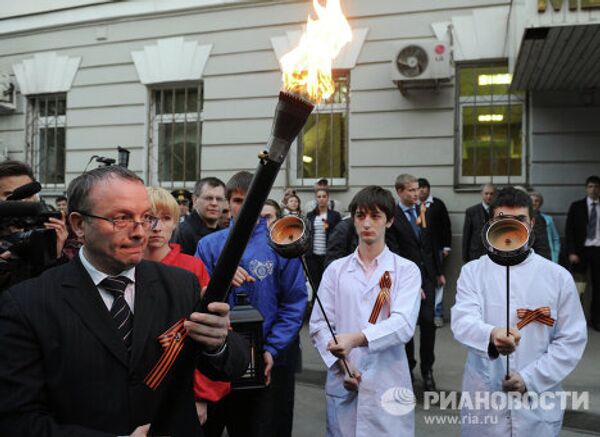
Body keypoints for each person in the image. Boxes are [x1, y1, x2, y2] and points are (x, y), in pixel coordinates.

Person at [0, 165, 249, 437]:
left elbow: (233, 366)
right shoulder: (27, 303)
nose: (140, 232)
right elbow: (19, 420)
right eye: (121, 218)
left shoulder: (182, 284)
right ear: (79, 224)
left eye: (146, 218)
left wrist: (219, 344)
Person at [451, 186, 587, 436]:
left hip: (537, 403)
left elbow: (571, 338)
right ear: (490, 223)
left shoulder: (557, 277)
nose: (512, 228)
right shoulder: (472, 272)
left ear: (532, 223)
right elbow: (462, 320)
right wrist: (491, 335)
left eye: (520, 220)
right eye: (503, 220)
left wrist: (530, 379)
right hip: (486, 400)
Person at [196, 171, 307, 437]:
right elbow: (195, 300)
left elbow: (293, 303)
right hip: (216, 361)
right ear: (227, 203)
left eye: (251, 200)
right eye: (236, 200)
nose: (243, 207)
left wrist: (271, 349)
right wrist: (219, 279)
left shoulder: (280, 246)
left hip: (264, 362)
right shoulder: (209, 245)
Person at [310, 185, 421, 436]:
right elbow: (319, 324)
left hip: (388, 379)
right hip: (344, 376)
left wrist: (356, 339)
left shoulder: (406, 270)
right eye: (360, 216)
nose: (367, 223)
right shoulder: (336, 270)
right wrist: (342, 365)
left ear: (389, 221)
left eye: (375, 216)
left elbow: (403, 324)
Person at [144, 187, 231, 428]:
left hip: (182, 386)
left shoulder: (191, 268)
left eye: (165, 219)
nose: (156, 227)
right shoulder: (125, 265)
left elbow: (208, 335)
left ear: (175, 223)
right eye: (149, 218)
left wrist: (202, 395)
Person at [386, 174, 443, 391]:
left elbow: (431, 243)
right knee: (407, 325)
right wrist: (410, 284)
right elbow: (395, 252)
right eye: (410, 190)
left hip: (427, 275)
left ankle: (427, 370)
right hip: (406, 280)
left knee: (429, 323)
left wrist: (437, 271)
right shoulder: (394, 217)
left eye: (417, 189)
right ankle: (407, 368)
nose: (416, 193)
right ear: (399, 191)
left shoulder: (423, 210)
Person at [0, 160, 68, 289]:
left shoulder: (43, 234)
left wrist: (56, 256)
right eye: (10, 195)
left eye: (28, 194)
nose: (22, 201)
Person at [565, 175, 600, 331]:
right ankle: (574, 322)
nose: (594, 189)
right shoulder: (576, 206)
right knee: (578, 288)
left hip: (598, 251)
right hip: (580, 253)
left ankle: (596, 320)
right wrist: (572, 252)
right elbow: (569, 231)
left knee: (598, 287)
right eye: (591, 186)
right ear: (586, 188)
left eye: (597, 187)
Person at [417, 178, 452, 327]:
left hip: (436, 250)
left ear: (428, 189)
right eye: (419, 188)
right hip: (419, 250)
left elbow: (446, 226)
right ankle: (421, 315)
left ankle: (437, 314)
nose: (422, 190)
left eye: (424, 187)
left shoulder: (437, 204)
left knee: (438, 281)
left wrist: (446, 247)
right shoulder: (413, 206)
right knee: (419, 282)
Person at [173, 177, 226, 255]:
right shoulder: (183, 233)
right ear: (195, 200)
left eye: (219, 199)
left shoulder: (224, 232)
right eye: (208, 198)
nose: (214, 203)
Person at [306, 188, 341, 292]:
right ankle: (315, 304)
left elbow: (338, 234)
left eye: (324, 196)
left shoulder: (334, 215)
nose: (321, 199)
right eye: (319, 196)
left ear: (328, 198)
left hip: (328, 254)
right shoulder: (310, 215)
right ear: (316, 199)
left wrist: (328, 227)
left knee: (327, 281)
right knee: (315, 282)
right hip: (312, 255)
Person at [462, 183, 496, 263]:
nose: (489, 196)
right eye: (486, 193)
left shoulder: (499, 211)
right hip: (475, 254)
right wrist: (465, 257)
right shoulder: (471, 211)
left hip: (494, 254)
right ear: (481, 194)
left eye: (491, 194)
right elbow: (467, 236)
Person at [530, 191, 560, 263]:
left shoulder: (548, 219)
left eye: (536, 201)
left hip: (546, 256)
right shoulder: (524, 219)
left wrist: (555, 256)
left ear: (540, 203)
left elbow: (555, 239)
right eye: (531, 200)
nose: (534, 203)